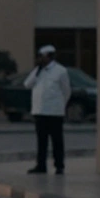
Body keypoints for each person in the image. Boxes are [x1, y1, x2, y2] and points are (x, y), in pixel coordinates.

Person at [24, 44, 72, 175]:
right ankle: (41, 165)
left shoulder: (60, 71)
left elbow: (66, 91)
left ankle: (59, 166)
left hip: (54, 112)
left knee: (57, 140)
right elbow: (27, 84)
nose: (39, 59)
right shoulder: (38, 70)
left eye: (41, 56)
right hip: (40, 111)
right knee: (41, 141)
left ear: (49, 56)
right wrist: (37, 71)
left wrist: (61, 105)